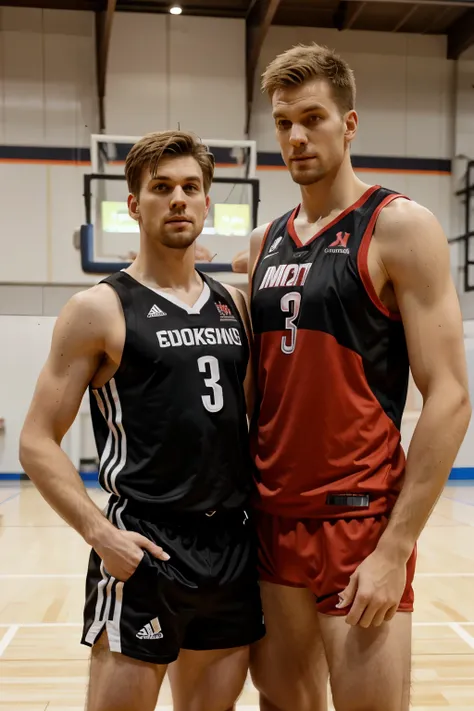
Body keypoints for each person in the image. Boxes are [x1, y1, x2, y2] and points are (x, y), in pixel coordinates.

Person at [246, 43, 471, 711]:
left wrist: (394, 547)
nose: (295, 136)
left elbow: (452, 397)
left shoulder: (400, 227)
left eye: (312, 118)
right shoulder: (263, 243)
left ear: (348, 124)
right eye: (283, 121)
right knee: (285, 704)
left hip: (359, 521)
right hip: (271, 523)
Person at [19, 129, 265, 711]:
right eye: (161, 188)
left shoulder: (236, 304)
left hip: (231, 546)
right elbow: (36, 440)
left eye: (191, 187)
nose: (178, 199)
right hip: (145, 547)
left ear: (207, 202)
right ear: (134, 204)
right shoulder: (98, 309)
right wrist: (100, 536)